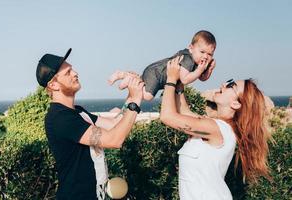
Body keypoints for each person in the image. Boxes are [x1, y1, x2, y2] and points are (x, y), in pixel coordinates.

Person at [36, 48, 144, 200]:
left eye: (72, 69)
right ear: (53, 85)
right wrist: (136, 102)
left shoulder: (78, 112)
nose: (75, 73)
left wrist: (132, 95)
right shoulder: (60, 118)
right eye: (68, 72)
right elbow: (114, 140)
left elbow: (115, 124)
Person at [160, 56, 271, 199]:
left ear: (236, 104)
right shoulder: (217, 127)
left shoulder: (217, 129)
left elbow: (167, 117)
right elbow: (184, 112)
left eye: (231, 85)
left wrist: (170, 80)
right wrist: (179, 84)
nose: (225, 84)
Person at [108, 30, 217, 101]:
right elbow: (185, 79)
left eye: (210, 54)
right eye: (202, 52)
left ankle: (129, 77)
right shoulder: (188, 59)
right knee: (147, 96)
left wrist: (209, 70)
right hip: (156, 73)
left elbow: (202, 78)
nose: (206, 56)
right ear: (191, 48)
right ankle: (126, 76)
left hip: (157, 74)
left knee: (143, 89)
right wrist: (199, 70)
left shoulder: (198, 63)